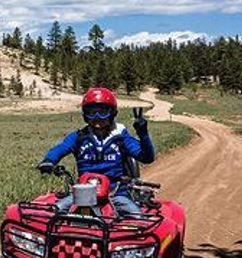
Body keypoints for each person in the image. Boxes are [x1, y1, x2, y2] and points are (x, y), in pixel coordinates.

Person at [37, 87, 155, 216]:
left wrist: (143, 134)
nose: (97, 118)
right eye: (91, 112)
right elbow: (61, 148)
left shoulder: (121, 137)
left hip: (116, 194)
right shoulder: (79, 137)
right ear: (85, 115)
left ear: (112, 113)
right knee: (53, 213)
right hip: (83, 194)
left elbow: (147, 157)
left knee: (138, 218)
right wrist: (49, 161)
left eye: (102, 112)